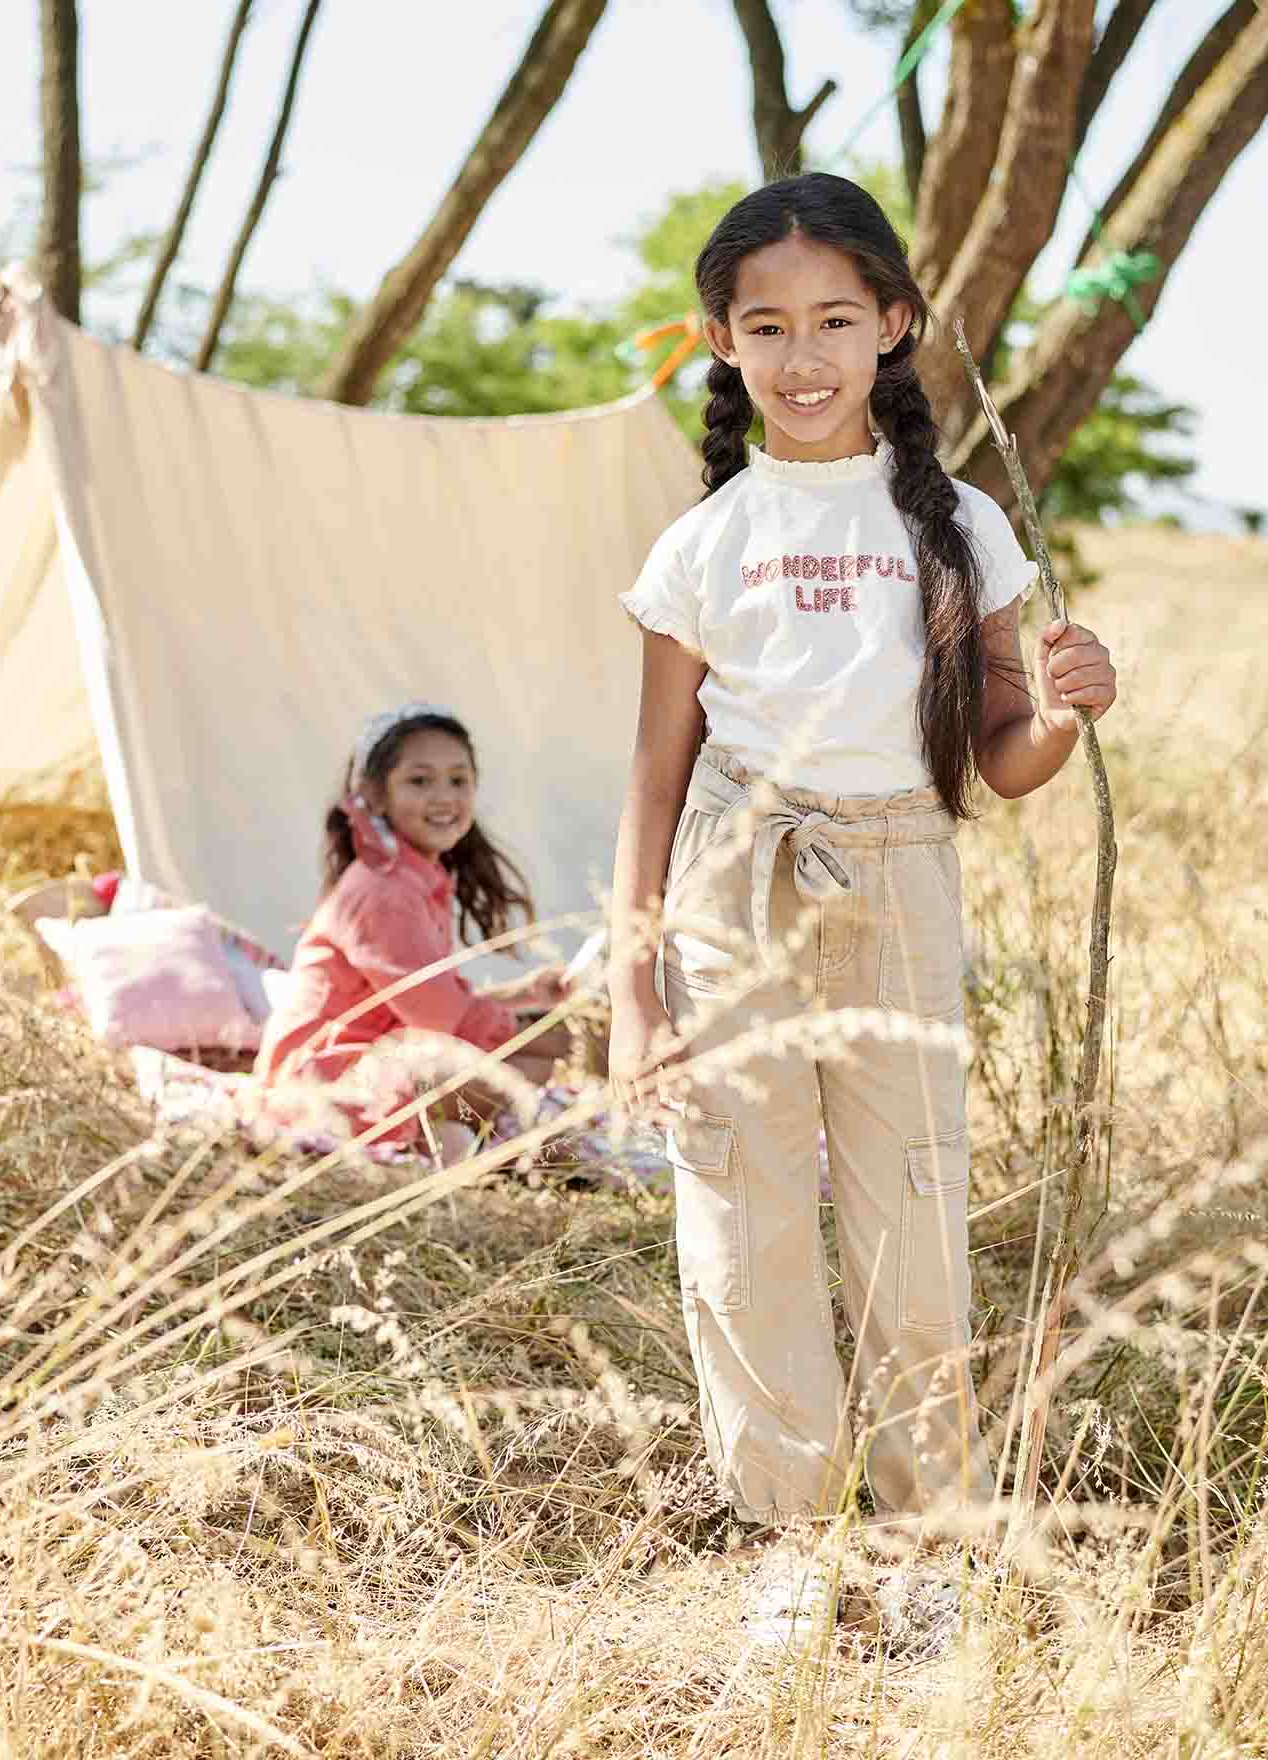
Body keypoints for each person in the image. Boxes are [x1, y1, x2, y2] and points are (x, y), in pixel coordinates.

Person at [608, 176, 1117, 1550]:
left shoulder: (959, 524)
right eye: (766, 327)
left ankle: (924, 1544)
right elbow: (653, 784)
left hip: (899, 874)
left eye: (836, 319)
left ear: (893, 325)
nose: (804, 355)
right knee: (744, 1217)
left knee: (912, 1211)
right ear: (722, 342)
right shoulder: (703, 545)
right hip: (735, 881)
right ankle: (790, 1546)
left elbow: (1005, 756)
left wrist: (1068, 708)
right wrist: (632, 1001)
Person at [257, 703, 568, 1155]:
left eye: (458, 780)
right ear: (374, 795)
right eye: (420, 781)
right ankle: (451, 1140)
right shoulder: (382, 890)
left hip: (374, 1062)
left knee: (534, 1055)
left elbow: (435, 1001)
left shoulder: (416, 878)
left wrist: (525, 995)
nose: (444, 797)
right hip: (319, 1085)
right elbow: (441, 1021)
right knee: (533, 1056)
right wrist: (549, 1035)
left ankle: (457, 1136)